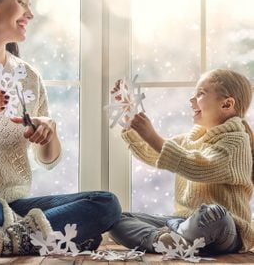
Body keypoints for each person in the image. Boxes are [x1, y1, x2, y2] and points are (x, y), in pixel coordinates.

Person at [0, 0, 121, 258]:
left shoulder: (27, 77)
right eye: (21, 1)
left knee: (106, 204)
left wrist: (49, 135)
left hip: (15, 205)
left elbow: (48, 160)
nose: (30, 13)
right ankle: (33, 237)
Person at [109, 69, 254, 255]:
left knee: (214, 214)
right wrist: (130, 118)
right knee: (115, 218)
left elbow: (199, 166)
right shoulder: (191, 139)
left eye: (200, 94)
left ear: (227, 104)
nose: (191, 100)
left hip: (226, 230)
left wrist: (153, 136)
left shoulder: (236, 141)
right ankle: (163, 240)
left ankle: (180, 238)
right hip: (182, 222)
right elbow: (154, 154)